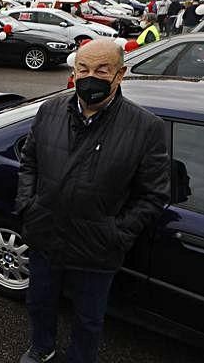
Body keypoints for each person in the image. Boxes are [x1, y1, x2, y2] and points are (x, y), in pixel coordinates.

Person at [15, 39, 170, 363]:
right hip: (46, 235)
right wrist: (28, 205)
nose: (91, 77)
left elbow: (154, 194)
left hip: (96, 247)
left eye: (102, 70)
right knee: (39, 302)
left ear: (120, 74)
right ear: (74, 70)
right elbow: (29, 162)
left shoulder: (145, 127)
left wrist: (116, 233)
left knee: (89, 319)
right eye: (83, 69)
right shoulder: (50, 110)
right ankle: (42, 347)